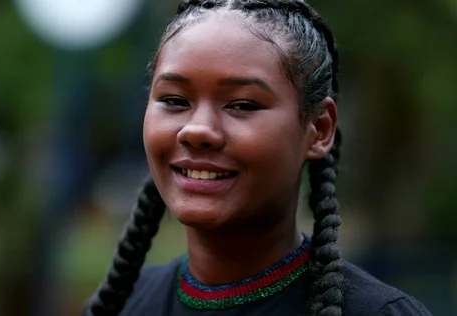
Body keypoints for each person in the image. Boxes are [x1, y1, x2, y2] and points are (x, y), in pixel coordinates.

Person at [82, 0, 432, 315]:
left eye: (242, 104)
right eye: (174, 100)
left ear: (319, 129)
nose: (197, 130)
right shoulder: (123, 303)